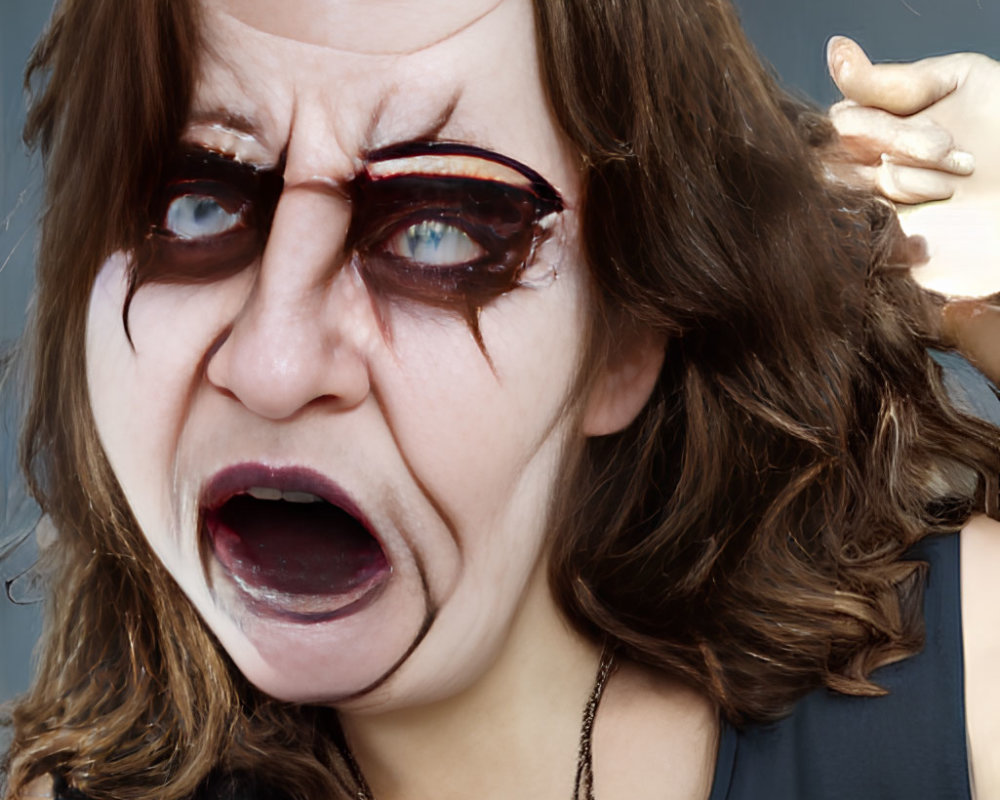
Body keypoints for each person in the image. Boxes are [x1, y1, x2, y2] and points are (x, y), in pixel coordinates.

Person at [3, 1, 999, 799]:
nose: (272, 365)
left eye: (438, 229)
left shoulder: (964, 689)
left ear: (623, 341)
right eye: (197, 203)